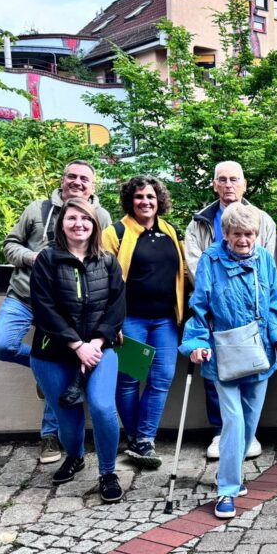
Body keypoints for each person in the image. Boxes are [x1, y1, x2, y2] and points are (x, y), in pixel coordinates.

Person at [0, 161, 113, 465]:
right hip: (24, 295)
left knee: (56, 360)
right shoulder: (37, 209)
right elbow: (10, 245)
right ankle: (40, 367)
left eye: (85, 178)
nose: (78, 182)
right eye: (72, 176)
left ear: (93, 185)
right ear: (62, 179)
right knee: (1, 346)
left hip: (71, 308)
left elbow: (106, 262)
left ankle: (50, 435)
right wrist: (34, 258)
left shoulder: (103, 217)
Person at [180, 202, 277, 520]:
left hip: (259, 353)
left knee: (248, 424)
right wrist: (197, 343)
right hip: (224, 354)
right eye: (237, 234)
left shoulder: (264, 261)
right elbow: (199, 305)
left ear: (257, 235)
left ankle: (228, 474)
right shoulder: (211, 260)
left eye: (249, 234)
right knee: (232, 423)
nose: (244, 240)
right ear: (226, 235)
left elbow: (274, 302)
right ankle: (227, 490)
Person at [28, 197, 126, 502]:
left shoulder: (107, 260)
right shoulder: (47, 259)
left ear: (95, 224)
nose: (79, 224)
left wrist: (94, 344)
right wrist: (77, 345)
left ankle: (108, 472)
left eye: (85, 219)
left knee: (101, 407)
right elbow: (44, 308)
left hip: (100, 349)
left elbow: (117, 306)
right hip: (53, 353)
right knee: (68, 417)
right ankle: (75, 455)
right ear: (62, 224)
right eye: (72, 218)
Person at [184, 160, 275, 461]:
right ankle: (219, 432)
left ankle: (246, 435)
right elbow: (195, 262)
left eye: (234, 179)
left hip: (252, 311)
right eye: (222, 179)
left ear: (244, 184)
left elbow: (266, 263)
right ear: (214, 185)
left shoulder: (262, 219)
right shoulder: (200, 221)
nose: (228, 185)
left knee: (251, 373)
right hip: (214, 304)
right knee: (217, 373)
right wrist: (218, 285)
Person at [102, 175, 186, 469]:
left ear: (159, 200)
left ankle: (144, 439)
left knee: (161, 378)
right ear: (130, 201)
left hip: (164, 321)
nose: (145, 202)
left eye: (151, 197)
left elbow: (185, 272)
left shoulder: (171, 231)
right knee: (128, 381)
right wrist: (113, 323)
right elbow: (103, 280)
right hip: (130, 320)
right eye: (139, 197)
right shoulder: (117, 232)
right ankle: (137, 438)